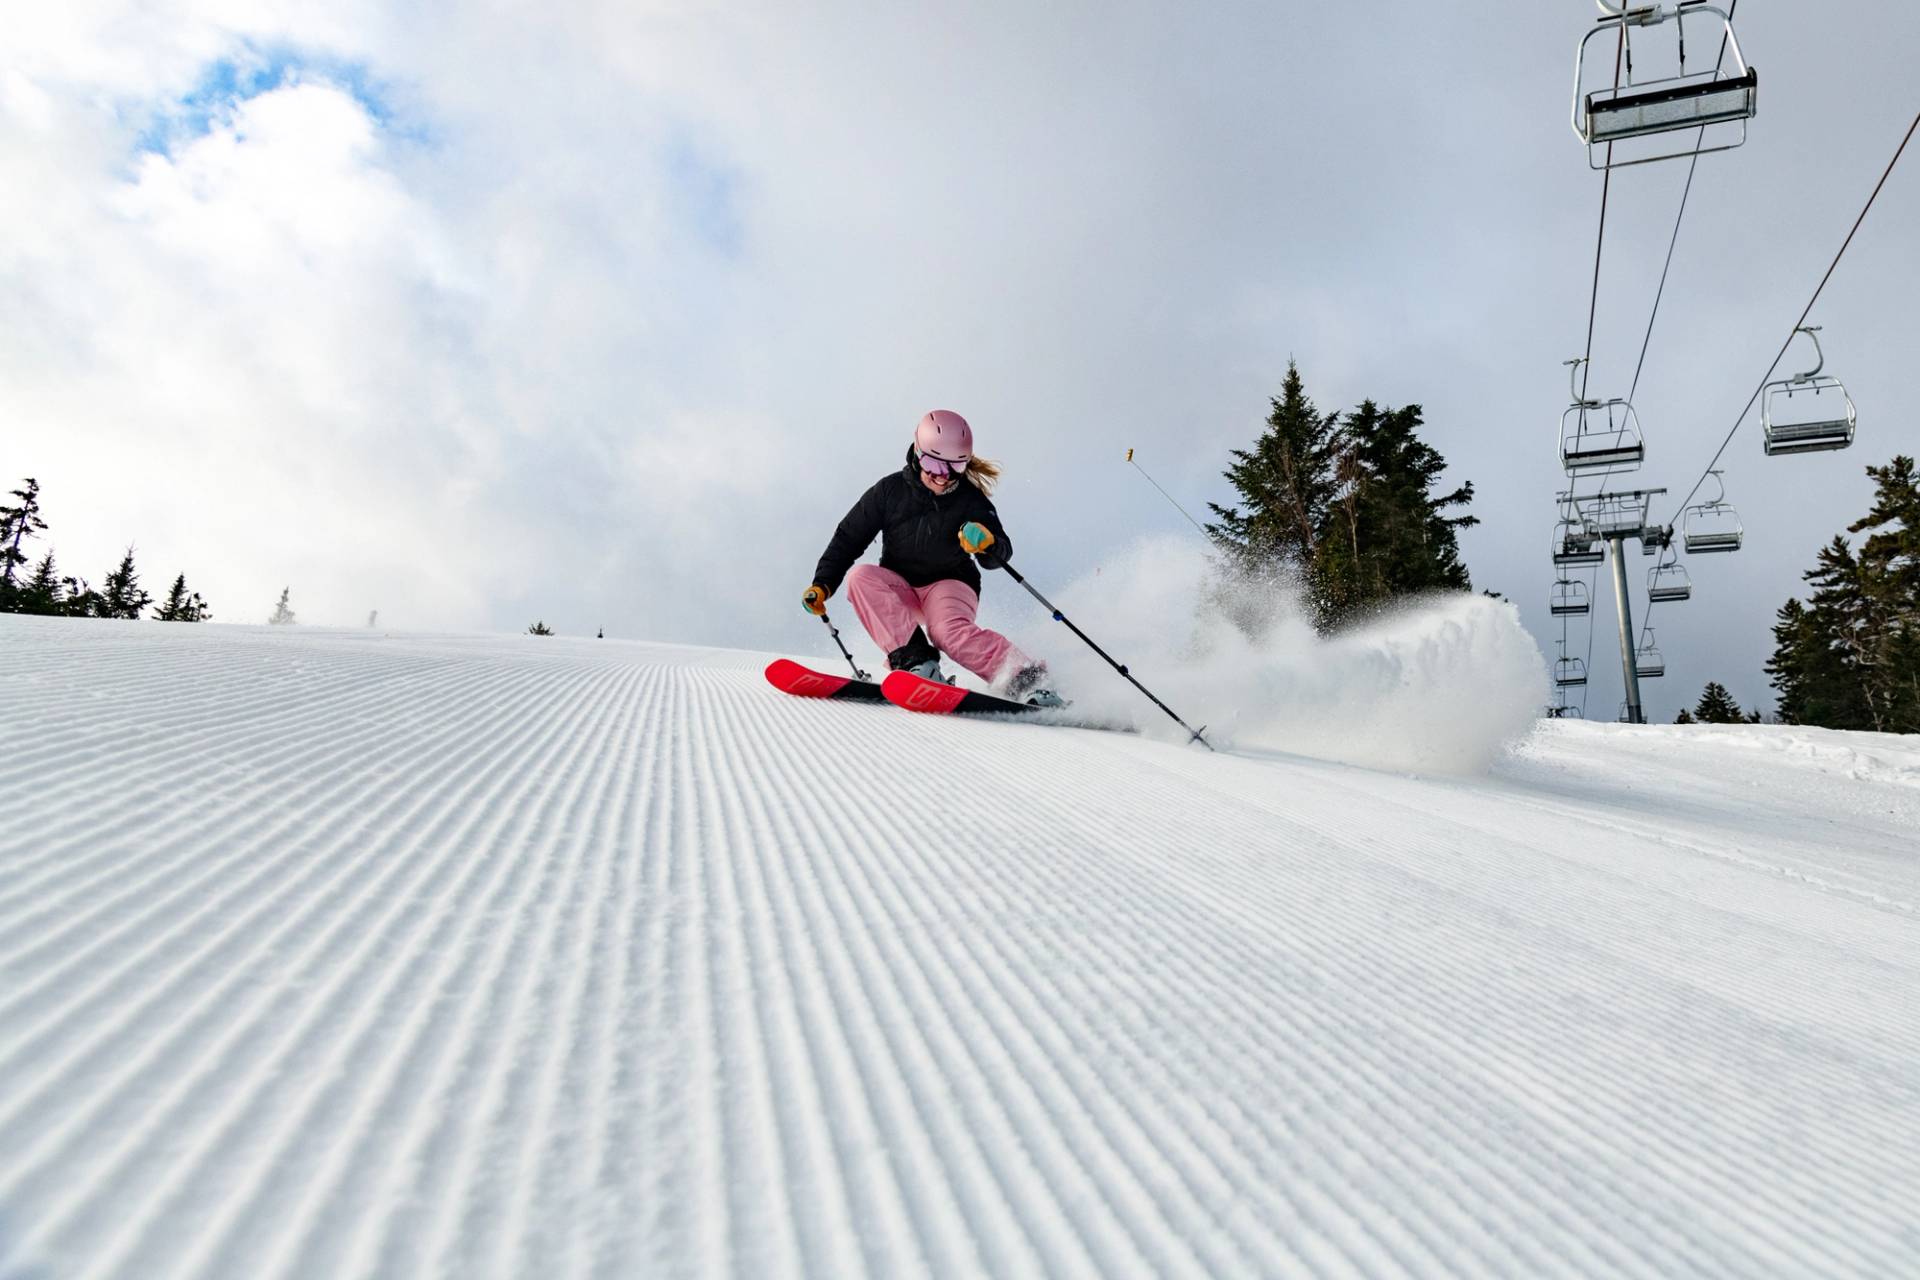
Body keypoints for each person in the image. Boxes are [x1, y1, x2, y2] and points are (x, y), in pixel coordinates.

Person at [803, 410, 1064, 707]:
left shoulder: (970, 499)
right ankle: (918, 665)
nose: (942, 475)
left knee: (946, 632)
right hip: (900, 586)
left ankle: (1028, 681)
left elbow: (999, 554)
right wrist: (822, 584)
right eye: (933, 463)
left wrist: (987, 542)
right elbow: (849, 537)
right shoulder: (889, 491)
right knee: (860, 577)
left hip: (950, 585)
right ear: (917, 452)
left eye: (955, 466)